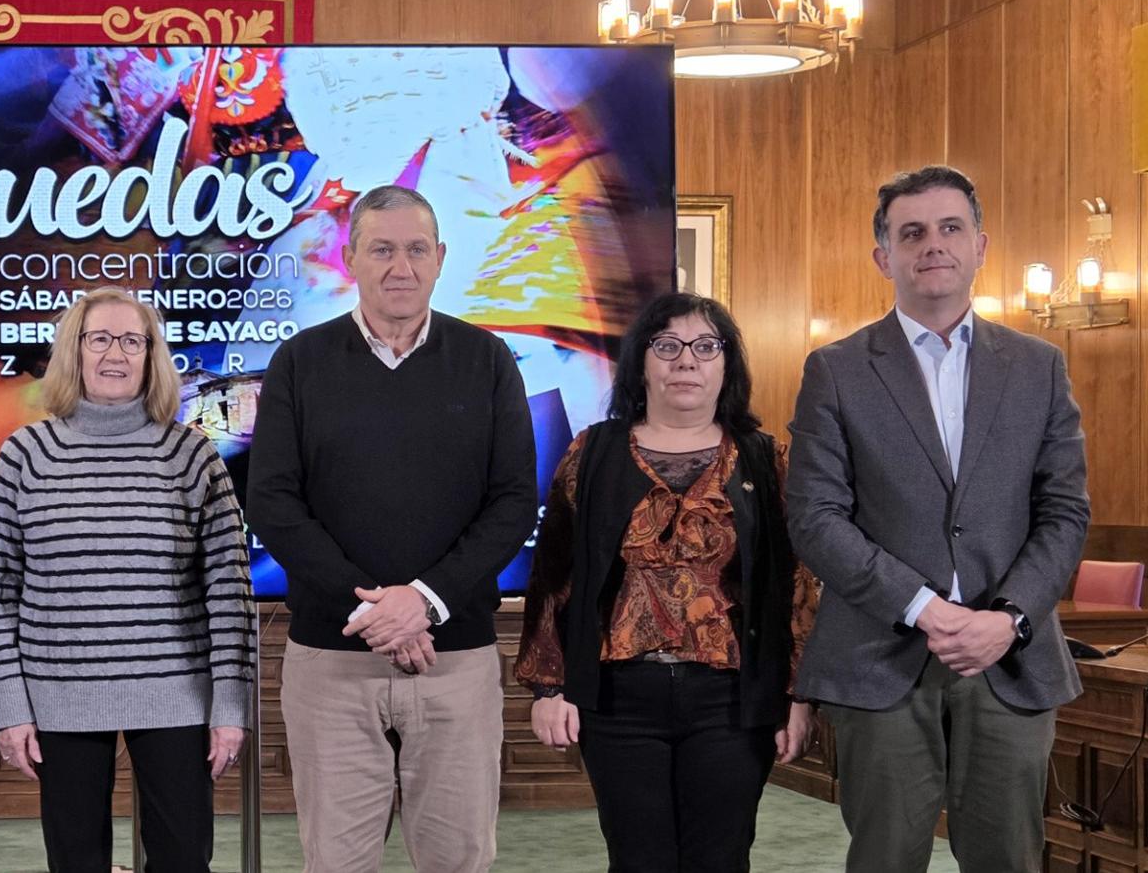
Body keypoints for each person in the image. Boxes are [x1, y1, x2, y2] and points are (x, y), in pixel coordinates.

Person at [787, 165, 1090, 872]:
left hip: (1009, 657)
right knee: (886, 858)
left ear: (980, 245)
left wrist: (1006, 618)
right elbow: (815, 515)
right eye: (911, 232)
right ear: (883, 256)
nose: (933, 245)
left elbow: (1064, 509)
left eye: (950, 228)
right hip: (879, 657)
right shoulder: (835, 370)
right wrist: (923, 607)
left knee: (1009, 859)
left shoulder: (1039, 366)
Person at [245, 184, 537, 872]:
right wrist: (372, 609)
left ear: (440, 259)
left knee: (458, 859)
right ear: (350, 259)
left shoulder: (488, 359)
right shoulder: (300, 362)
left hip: (456, 661)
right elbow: (274, 502)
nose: (399, 266)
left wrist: (424, 602)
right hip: (333, 663)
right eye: (381, 249)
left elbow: (514, 501)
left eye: (414, 250)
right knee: (336, 862)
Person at [515, 292, 819, 873]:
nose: (686, 360)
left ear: (727, 364)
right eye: (667, 345)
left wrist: (797, 698)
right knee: (637, 861)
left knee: (721, 859)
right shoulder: (594, 453)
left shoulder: (762, 458)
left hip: (732, 702)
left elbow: (796, 586)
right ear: (642, 362)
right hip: (617, 700)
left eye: (706, 346)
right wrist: (549, 689)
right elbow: (555, 573)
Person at [0, 288, 255, 872]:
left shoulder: (192, 455)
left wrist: (229, 706)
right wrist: (7, 707)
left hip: (177, 695)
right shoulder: (26, 455)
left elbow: (229, 590)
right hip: (58, 698)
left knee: (182, 862)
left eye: (133, 340)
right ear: (72, 351)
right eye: (99, 339)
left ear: (153, 356)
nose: (115, 354)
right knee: (76, 862)